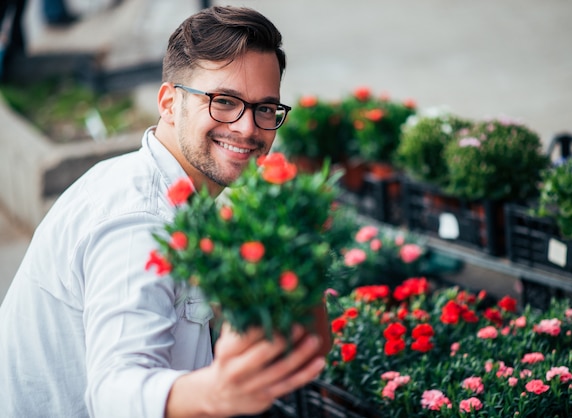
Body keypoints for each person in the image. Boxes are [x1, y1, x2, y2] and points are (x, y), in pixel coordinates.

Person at [0, 6, 330, 417]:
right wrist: (217, 393)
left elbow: (303, 345)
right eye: (224, 101)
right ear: (169, 103)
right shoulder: (138, 218)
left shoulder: (180, 197)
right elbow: (115, 391)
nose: (248, 128)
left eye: (265, 108)